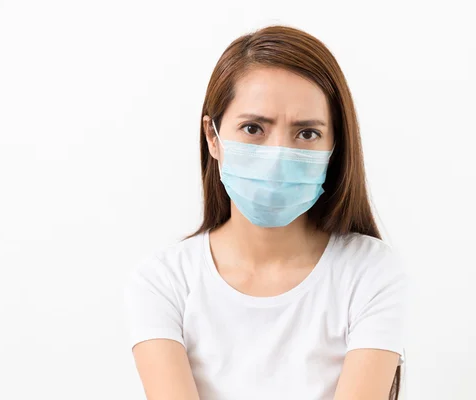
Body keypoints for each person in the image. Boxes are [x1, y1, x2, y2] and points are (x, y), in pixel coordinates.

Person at [123, 24, 408, 400]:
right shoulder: (163, 282)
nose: (277, 158)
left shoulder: (369, 271)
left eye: (306, 133)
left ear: (335, 144)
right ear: (213, 137)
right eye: (253, 128)